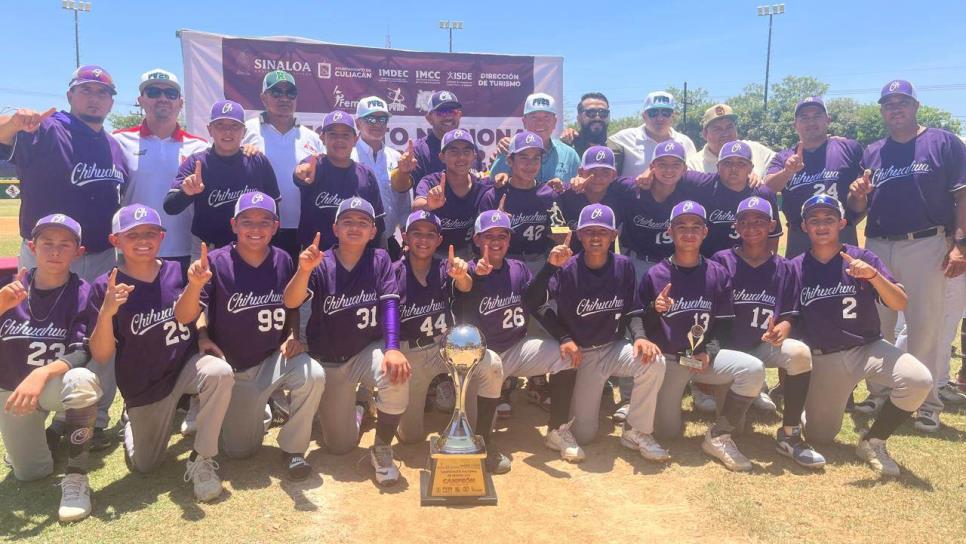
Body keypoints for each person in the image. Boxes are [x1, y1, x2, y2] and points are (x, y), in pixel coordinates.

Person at [173, 191, 325, 481]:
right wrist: (195, 298)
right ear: (234, 225)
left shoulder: (282, 259)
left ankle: (293, 450)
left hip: (271, 361)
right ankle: (261, 411)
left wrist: (292, 334)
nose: (256, 229)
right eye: (247, 221)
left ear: (275, 226)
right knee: (240, 451)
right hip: (235, 370)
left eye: (264, 221)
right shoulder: (216, 262)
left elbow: (291, 305)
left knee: (313, 374)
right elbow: (185, 316)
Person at [88, 204, 234, 501]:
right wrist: (106, 314)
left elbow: (187, 316)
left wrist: (196, 302)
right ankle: (132, 421)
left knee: (219, 372)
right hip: (145, 386)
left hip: (184, 368)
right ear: (115, 241)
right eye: (133, 235)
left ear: (162, 237)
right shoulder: (106, 286)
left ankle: (202, 459)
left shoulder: (176, 271)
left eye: (150, 233)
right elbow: (102, 355)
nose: (143, 240)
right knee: (146, 466)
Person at [846, 80, 966, 433]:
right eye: (888, 104)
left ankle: (927, 402)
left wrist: (960, 243)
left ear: (915, 106)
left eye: (902, 102)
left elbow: (962, 198)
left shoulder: (942, 142)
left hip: (926, 241)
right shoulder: (873, 152)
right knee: (876, 323)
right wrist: (857, 196)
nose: (895, 109)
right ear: (882, 110)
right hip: (878, 243)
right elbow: (857, 208)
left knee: (924, 325)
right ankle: (880, 391)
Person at [793, 195, 933, 477]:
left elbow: (899, 302)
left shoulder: (863, 258)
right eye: (815, 220)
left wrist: (873, 277)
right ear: (804, 226)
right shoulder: (795, 266)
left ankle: (873, 441)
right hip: (826, 358)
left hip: (868, 348)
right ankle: (813, 409)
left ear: (842, 223)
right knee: (821, 437)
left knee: (919, 380)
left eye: (829, 219)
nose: (822, 225)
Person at [282, 197, 410, 487]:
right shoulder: (319, 261)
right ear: (335, 228)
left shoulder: (379, 259)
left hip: (364, 351)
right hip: (327, 360)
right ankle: (359, 407)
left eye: (362, 222)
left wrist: (391, 347)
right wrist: (304, 270)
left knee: (397, 373)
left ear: (373, 230)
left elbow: (390, 305)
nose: (355, 227)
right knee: (339, 446)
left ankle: (381, 448)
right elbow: (290, 301)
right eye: (348, 222)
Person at [643, 200, 766, 472]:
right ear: (670, 232)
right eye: (681, 226)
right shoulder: (656, 274)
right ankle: (651, 405)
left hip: (702, 359)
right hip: (673, 360)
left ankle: (718, 436)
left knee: (754, 369)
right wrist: (654, 309)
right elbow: (641, 324)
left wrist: (708, 352)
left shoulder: (717, 272)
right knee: (666, 432)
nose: (689, 232)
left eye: (695, 227)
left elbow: (723, 325)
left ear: (705, 232)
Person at [455, 209, 583, 464]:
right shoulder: (466, 271)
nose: (495, 241)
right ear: (477, 240)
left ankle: (557, 431)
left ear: (509, 240)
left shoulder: (518, 268)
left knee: (566, 357)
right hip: (479, 359)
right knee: (476, 429)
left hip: (515, 348)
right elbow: (462, 311)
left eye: (501, 235)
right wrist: (477, 279)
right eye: (488, 236)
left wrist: (549, 267)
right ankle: (483, 441)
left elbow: (532, 302)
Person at [544, 204, 669, 460]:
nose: (596, 237)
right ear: (579, 235)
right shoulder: (568, 269)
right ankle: (574, 407)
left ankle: (637, 431)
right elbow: (542, 307)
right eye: (589, 231)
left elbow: (633, 309)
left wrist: (641, 337)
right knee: (584, 435)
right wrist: (564, 338)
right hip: (582, 356)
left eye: (603, 231)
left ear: (614, 235)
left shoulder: (623, 266)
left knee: (654, 360)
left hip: (613, 348)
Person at [0, 214, 102, 521]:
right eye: (47, 243)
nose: (55, 251)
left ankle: (76, 476)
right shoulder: (8, 282)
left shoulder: (83, 291)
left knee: (82, 380)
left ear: (78, 252)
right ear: (32, 246)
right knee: (31, 473)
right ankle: (52, 436)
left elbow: (82, 352)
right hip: (12, 389)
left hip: (51, 385)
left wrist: (40, 373)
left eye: (64, 244)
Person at [711, 197, 825, 468]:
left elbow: (791, 312)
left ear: (772, 224)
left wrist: (785, 326)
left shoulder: (784, 267)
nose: (752, 227)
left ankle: (790, 433)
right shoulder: (721, 260)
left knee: (799, 352)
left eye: (759, 221)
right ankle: (739, 405)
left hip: (763, 345)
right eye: (745, 222)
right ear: (736, 226)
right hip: (729, 352)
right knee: (736, 429)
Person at [392, 211, 509, 471]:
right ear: (405, 237)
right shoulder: (393, 271)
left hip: (446, 348)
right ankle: (423, 402)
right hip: (410, 353)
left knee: (492, 363)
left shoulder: (446, 266)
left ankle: (482, 439)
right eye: (416, 233)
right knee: (411, 436)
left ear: (439, 239)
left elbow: (466, 287)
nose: (423, 240)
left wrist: (462, 276)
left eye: (430, 234)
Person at [0, 65, 127, 281]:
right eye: (85, 90)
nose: (94, 98)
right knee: (40, 314)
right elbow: (4, 134)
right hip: (49, 255)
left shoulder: (114, 146)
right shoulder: (47, 129)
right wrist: (12, 124)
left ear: (111, 103)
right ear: (70, 96)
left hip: (104, 256)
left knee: (101, 315)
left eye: (102, 92)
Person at [114, 69, 208, 273]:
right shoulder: (118, 141)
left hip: (184, 250)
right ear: (141, 100)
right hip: (135, 251)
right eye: (154, 92)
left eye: (171, 94)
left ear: (180, 103)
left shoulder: (200, 147)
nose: (163, 98)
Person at [164, 100, 279, 260]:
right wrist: (186, 193)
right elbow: (170, 207)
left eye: (234, 126)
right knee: (200, 286)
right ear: (210, 130)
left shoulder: (257, 161)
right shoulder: (196, 162)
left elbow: (274, 208)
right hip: (207, 248)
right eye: (220, 125)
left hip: (251, 247)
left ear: (244, 131)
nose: (227, 132)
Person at [764, 97, 861, 257]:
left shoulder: (849, 148)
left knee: (846, 281)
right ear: (795, 125)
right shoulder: (784, 156)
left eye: (816, 116)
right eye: (804, 117)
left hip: (842, 234)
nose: (811, 122)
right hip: (800, 237)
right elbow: (767, 188)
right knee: (799, 281)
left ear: (827, 120)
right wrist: (787, 172)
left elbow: (862, 193)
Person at [241, 70, 324, 261]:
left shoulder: (311, 138)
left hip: (302, 228)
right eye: (276, 93)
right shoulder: (246, 131)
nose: (284, 98)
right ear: (263, 98)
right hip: (259, 227)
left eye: (290, 93)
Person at [292, 111, 385, 251]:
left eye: (345, 135)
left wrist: (380, 255)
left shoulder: (366, 174)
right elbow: (302, 176)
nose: (339, 140)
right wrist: (299, 175)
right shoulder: (314, 165)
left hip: (356, 260)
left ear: (355, 139)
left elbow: (377, 221)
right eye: (333, 134)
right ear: (322, 138)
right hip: (316, 259)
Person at [479, 131, 560, 274]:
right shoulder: (494, 196)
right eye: (524, 158)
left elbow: (559, 236)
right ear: (510, 160)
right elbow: (479, 242)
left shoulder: (549, 195)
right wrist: (496, 224)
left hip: (538, 264)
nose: (530, 164)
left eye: (536, 158)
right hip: (502, 267)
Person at [690, 141, 782, 258]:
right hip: (709, 266)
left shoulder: (763, 194)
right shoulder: (704, 185)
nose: (734, 168)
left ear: (751, 168)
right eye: (727, 163)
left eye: (741, 163)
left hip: (746, 265)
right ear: (718, 166)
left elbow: (773, 237)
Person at [413, 129, 492, 260]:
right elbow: (416, 207)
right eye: (454, 151)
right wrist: (428, 204)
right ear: (442, 157)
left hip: (468, 254)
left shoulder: (483, 184)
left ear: (474, 156)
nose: (461, 157)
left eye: (466, 152)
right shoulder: (431, 181)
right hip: (433, 254)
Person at [389, 91, 484, 193]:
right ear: (429, 118)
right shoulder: (419, 150)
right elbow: (400, 188)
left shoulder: (469, 145)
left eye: (452, 111)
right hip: (431, 208)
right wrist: (403, 173)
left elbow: (482, 178)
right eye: (441, 112)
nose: (448, 116)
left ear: (459, 115)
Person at [354, 96, 409, 259]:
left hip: (389, 244)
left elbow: (403, 203)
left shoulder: (396, 157)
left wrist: (407, 239)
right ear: (358, 124)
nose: (377, 124)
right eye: (370, 119)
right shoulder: (348, 156)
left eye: (382, 119)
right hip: (353, 244)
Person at [490, 93, 580, 185]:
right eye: (534, 117)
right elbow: (493, 183)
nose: (540, 122)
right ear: (524, 121)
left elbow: (578, 190)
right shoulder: (509, 149)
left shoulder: (570, 155)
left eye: (546, 117)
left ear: (555, 122)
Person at [608, 91, 696, 179]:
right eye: (653, 113)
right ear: (644, 116)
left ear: (673, 116)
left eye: (666, 113)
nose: (660, 118)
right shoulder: (623, 138)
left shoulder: (685, 142)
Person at [686, 104, 775, 179]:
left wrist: (768, 179)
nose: (725, 134)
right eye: (718, 129)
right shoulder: (693, 165)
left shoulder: (755, 149)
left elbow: (782, 162)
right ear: (705, 134)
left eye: (729, 127)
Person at [559, 92, 611, 157]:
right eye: (591, 112)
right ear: (579, 118)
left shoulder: (617, 149)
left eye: (603, 113)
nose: (597, 117)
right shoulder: (566, 148)